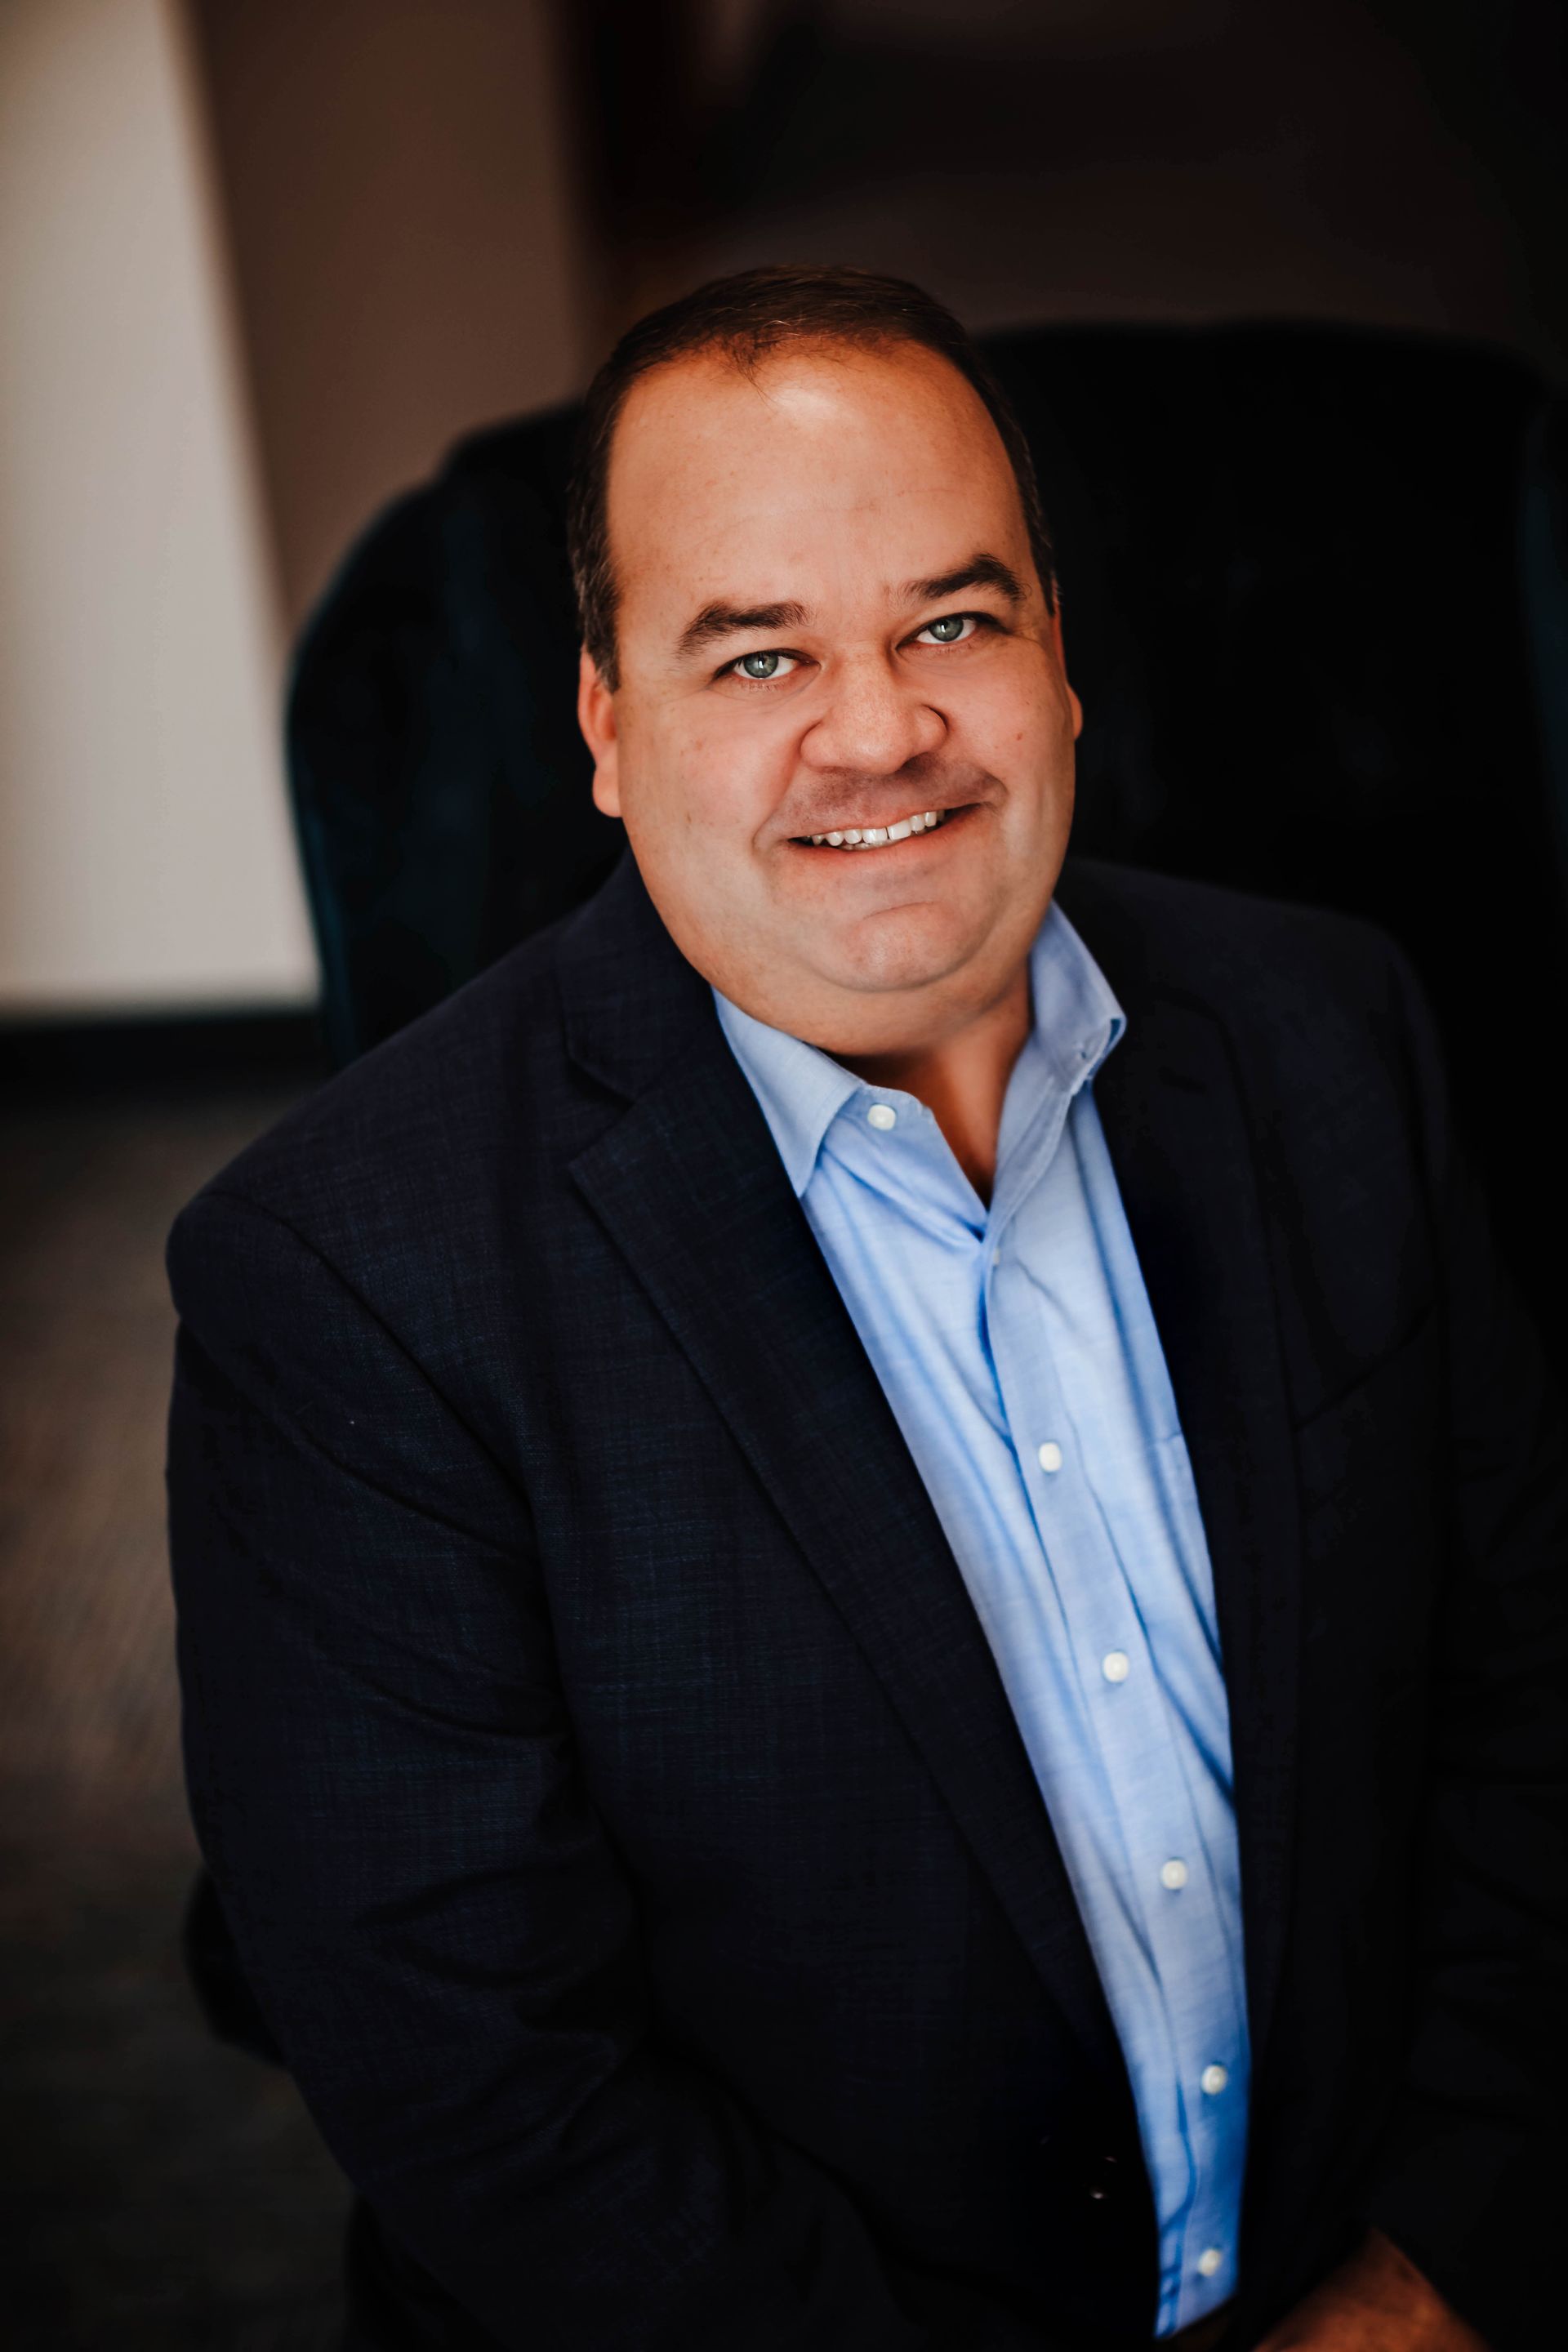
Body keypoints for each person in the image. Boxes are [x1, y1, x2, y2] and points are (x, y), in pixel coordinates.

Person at [166, 267, 1565, 2352]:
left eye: (954, 620)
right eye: (757, 656)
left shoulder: (1332, 1034)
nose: (883, 724)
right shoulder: (346, 1287)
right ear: (608, 728)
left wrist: (1437, 2265)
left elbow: (1536, 1695)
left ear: (1061, 662)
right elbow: (490, 2092)